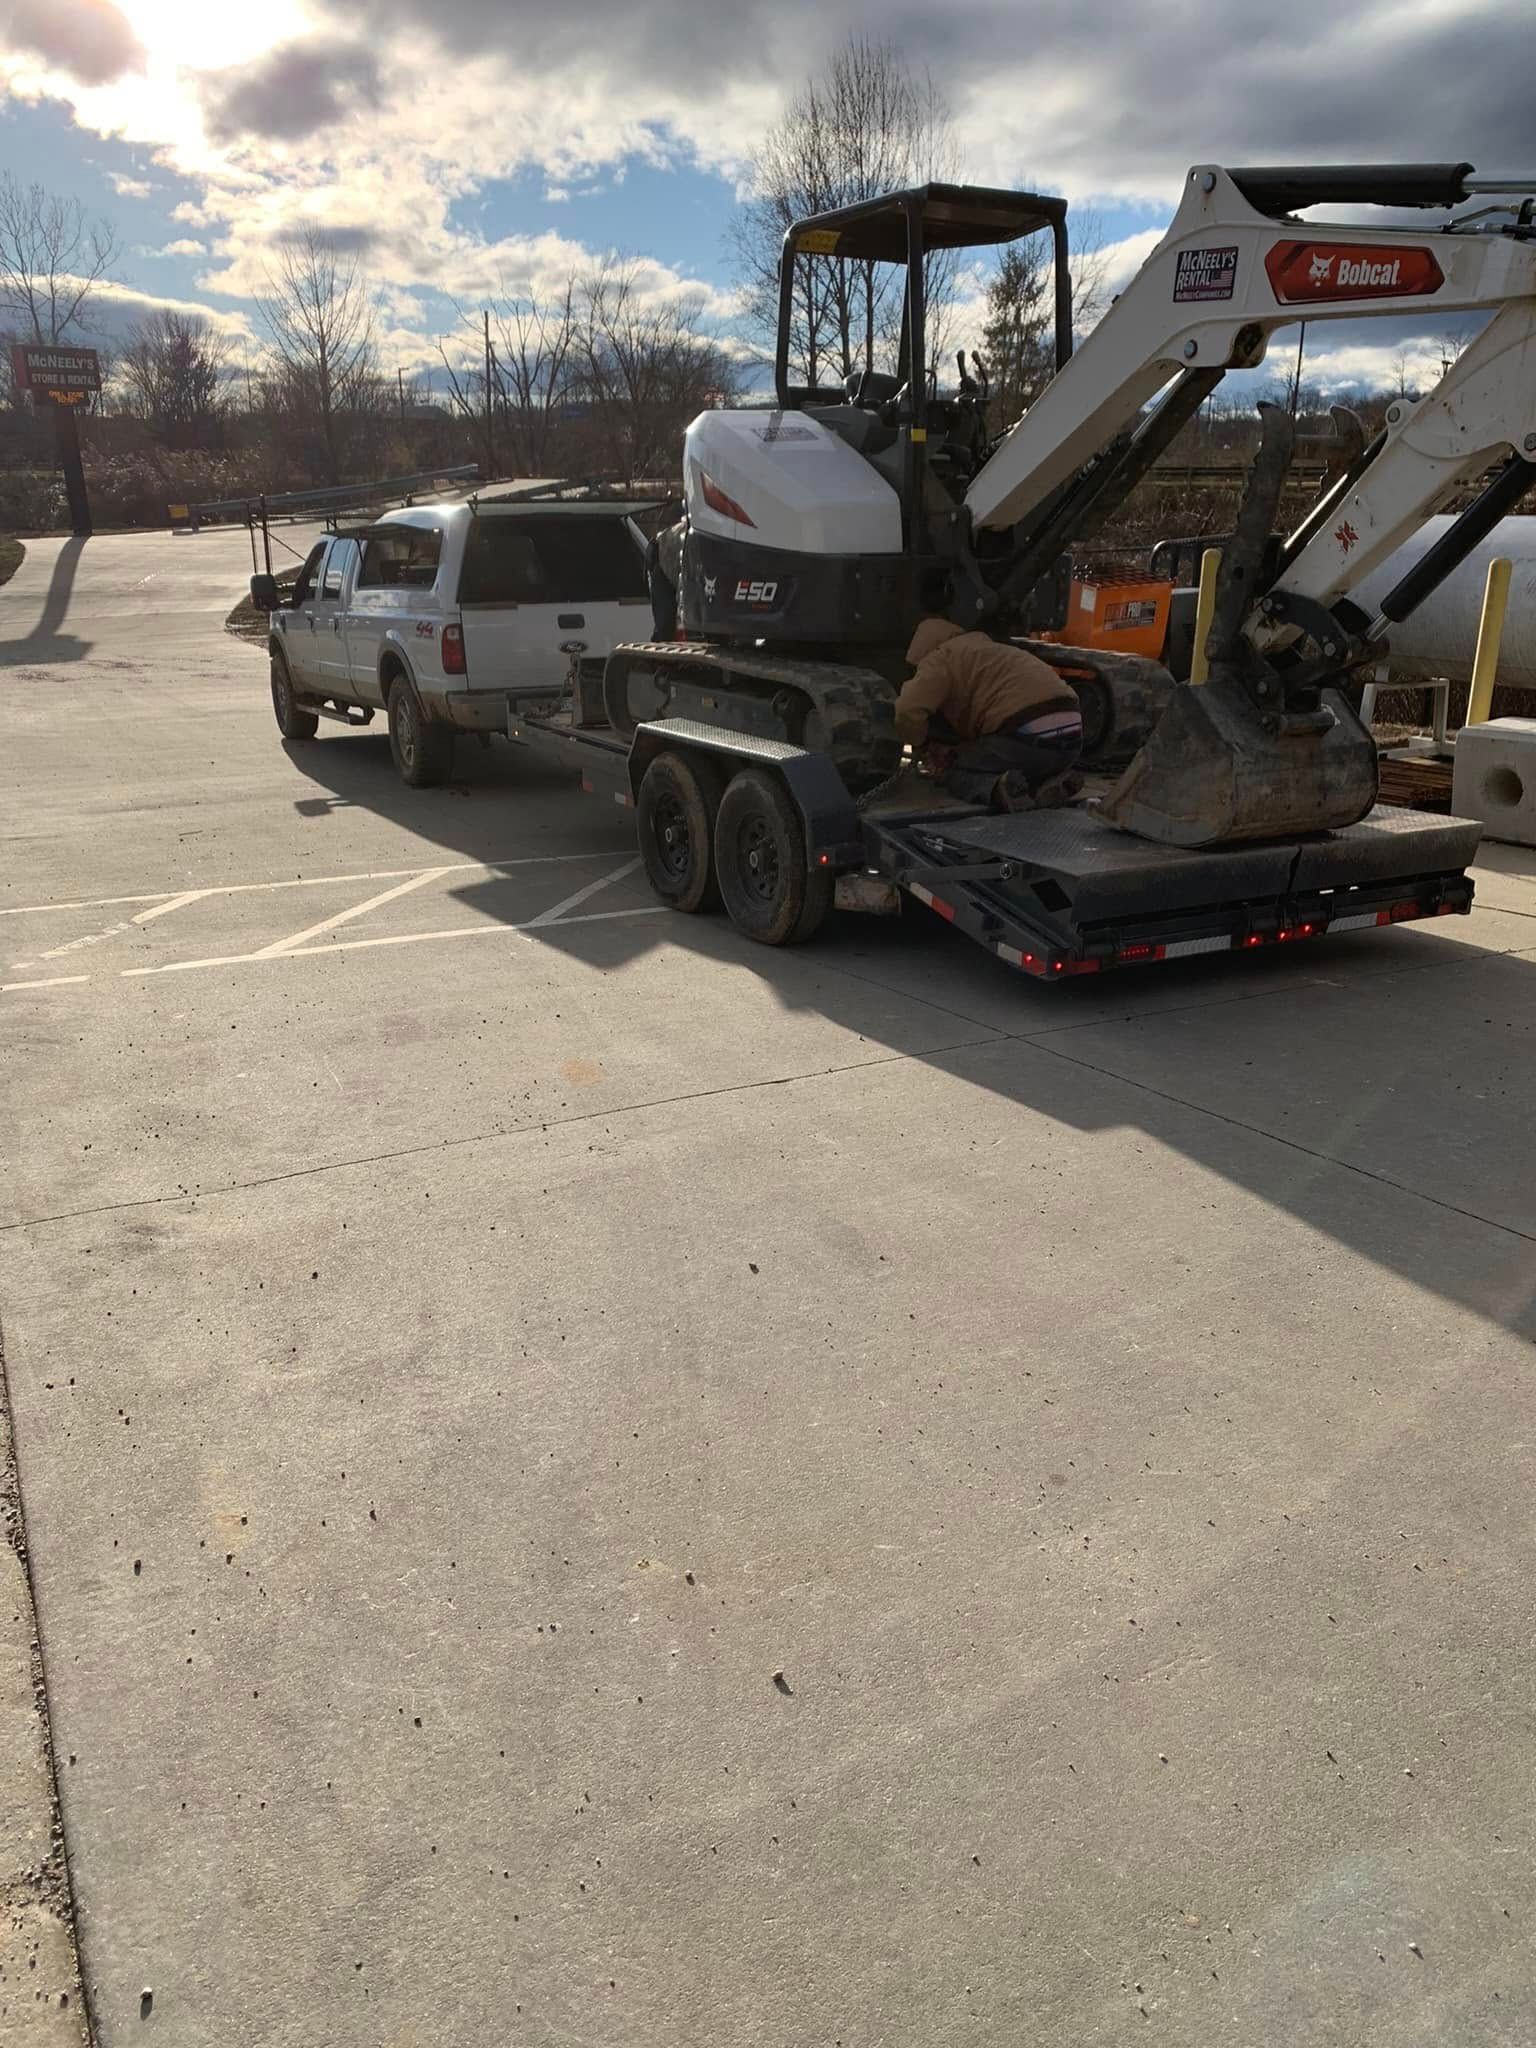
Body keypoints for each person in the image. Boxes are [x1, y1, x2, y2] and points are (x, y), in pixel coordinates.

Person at [894, 616, 1083, 810]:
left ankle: (999, 791)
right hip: (1072, 739)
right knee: (1015, 761)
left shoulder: (940, 657)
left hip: (1025, 737)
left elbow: (908, 711)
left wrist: (921, 744)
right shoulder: (993, 651)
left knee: (952, 767)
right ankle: (1050, 782)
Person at [646, 503, 686, 641]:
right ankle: (659, 657)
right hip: (660, 558)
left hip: (667, 554)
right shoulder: (692, 541)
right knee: (666, 626)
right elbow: (684, 588)